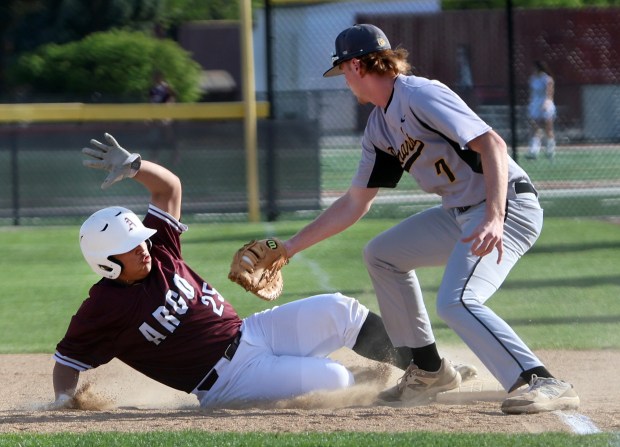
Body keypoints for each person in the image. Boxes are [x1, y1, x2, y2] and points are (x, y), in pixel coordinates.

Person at [281, 24, 579, 414]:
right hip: (458, 213)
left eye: (343, 72)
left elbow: (492, 143)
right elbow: (355, 202)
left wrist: (494, 214)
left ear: (356, 66)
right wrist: (287, 249)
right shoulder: (379, 127)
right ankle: (428, 370)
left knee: (457, 301)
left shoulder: (419, 94)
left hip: (505, 207)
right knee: (382, 254)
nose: (345, 82)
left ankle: (541, 380)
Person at [50, 133, 423, 410]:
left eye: (140, 239)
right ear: (106, 262)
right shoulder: (102, 307)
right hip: (227, 382)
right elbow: (67, 360)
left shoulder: (159, 249)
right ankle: (326, 377)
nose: (142, 248)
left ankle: (426, 369)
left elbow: (169, 188)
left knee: (339, 310)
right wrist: (64, 402)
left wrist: (134, 166)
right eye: (129, 248)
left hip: (250, 332)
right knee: (336, 379)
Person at [526, 60, 556, 160]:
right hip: (535, 104)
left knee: (548, 128)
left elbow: (549, 93)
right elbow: (532, 93)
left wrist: (547, 103)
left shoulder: (546, 79)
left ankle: (550, 151)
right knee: (535, 128)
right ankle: (534, 151)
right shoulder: (533, 79)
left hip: (545, 104)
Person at [148, 71, 179, 164]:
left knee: (168, 136)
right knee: (158, 137)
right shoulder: (153, 89)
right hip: (157, 117)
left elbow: (172, 99)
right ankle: (154, 158)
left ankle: (175, 155)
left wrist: (168, 114)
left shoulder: (166, 88)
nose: (155, 80)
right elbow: (151, 102)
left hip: (165, 117)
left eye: (157, 77)